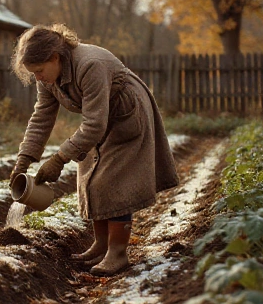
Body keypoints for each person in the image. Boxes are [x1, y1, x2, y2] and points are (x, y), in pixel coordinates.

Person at [9, 24, 179, 276]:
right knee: (90, 175)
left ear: (55, 57)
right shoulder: (48, 78)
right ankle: (101, 244)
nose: (37, 78)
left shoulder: (90, 65)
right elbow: (41, 117)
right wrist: (24, 160)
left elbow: (94, 125)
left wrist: (59, 158)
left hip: (126, 113)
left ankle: (118, 252)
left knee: (113, 181)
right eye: (33, 73)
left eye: (39, 71)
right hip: (99, 117)